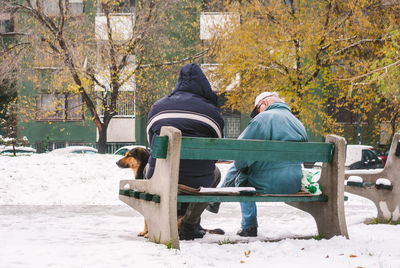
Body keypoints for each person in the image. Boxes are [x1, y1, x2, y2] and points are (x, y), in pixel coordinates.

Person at [210, 91, 308, 237]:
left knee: (241, 174)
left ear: (265, 103)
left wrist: (242, 166)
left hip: (266, 183)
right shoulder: (297, 122)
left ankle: (248, 225)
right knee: (241, 168)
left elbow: (241, 154)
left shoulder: (263, 119)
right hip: (293, 182)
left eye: (257, 109)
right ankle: (217, 200)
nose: (257, 113)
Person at [146, 63, 225, 240]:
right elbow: (217, 151)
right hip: (196, 179)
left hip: (161, 176)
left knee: (149, 168)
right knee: (214, 174)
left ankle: (162, 220)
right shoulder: (212, 111)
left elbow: (152, 145)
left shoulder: (158, 107)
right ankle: (190, 224)